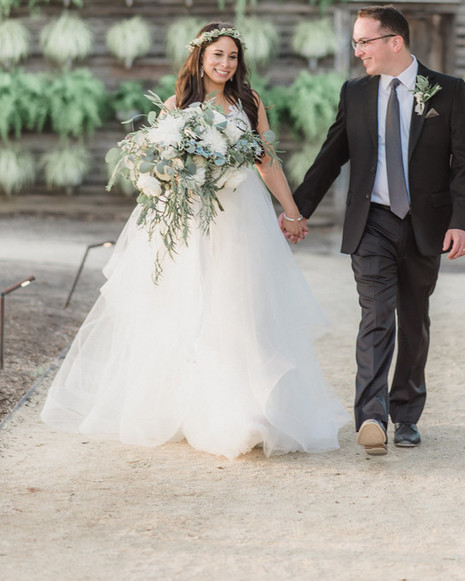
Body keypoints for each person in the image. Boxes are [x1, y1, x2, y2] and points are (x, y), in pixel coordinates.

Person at [41, 23, 348, 459]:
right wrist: (160, 175)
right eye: (218, 55)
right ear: (200, 57)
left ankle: (256, 406)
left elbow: (267, 161)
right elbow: (161, 166)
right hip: (191, 224)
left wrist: (293, 212)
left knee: (245, 308)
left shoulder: (249, 102)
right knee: (197, 309)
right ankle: (203, 409)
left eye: (233, 56)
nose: (225, 64)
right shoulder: (177, 106)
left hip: (242, 220)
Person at [282, 5, 465, 456]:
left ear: (395, 42)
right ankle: (371, 415)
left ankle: (406, 414)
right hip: (371, 221)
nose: (357, 52)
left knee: (414, 319)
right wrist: (297, 209)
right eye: (354, 42)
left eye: (364, 42)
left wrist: (461, 223)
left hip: (426, 225)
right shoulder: (354, 93)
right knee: (375, 316)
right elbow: (332, 155)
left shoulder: (447, 92)